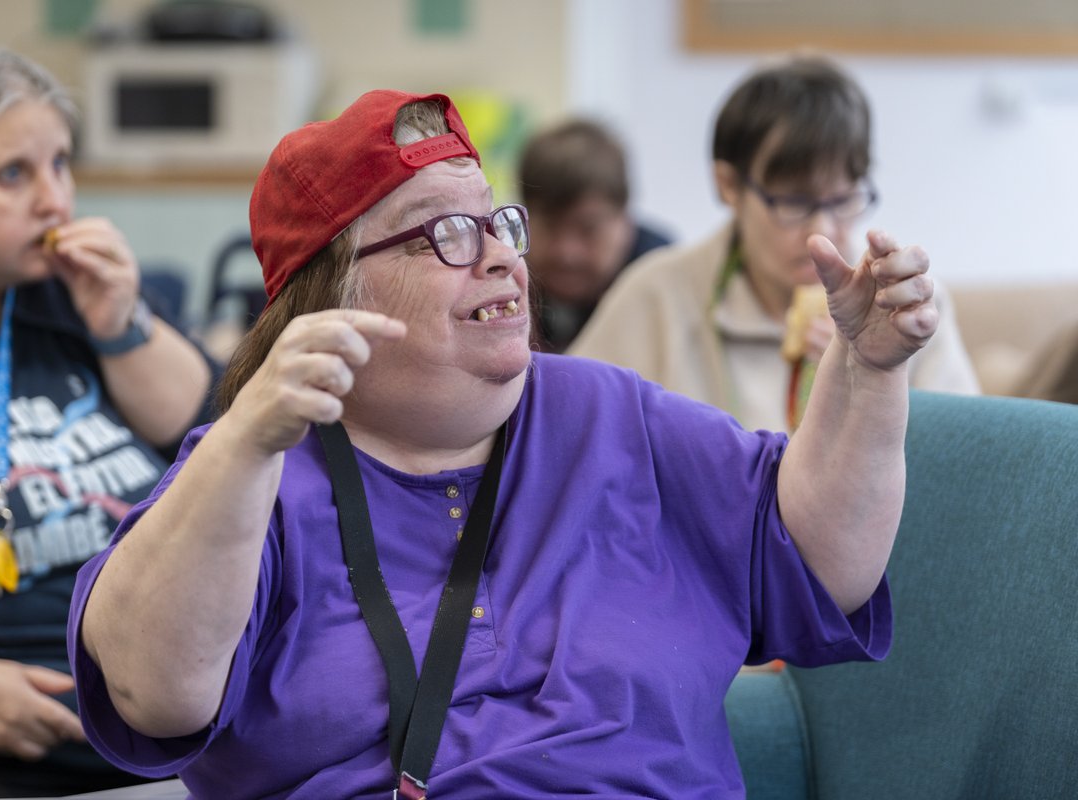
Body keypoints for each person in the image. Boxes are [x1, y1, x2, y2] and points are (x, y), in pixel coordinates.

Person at [69, 88, 939, 799]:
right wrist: (244, 446)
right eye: (443, 233)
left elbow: (822, 562)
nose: (500, 258)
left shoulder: (611, 416)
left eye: (496, 222)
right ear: (334, 293)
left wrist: (868, 372)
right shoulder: (257, 468)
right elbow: (153, 695)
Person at [0, 39, 218, 799]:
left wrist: (119, 322)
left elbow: (211, 432)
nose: (55, 200)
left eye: (61, 164)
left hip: (172, 717)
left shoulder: (67, 289)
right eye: (14, 174)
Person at [571, 54, 979, 433]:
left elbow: (966, 467)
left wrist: (878, 384)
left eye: (842, 201)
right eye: (794, 202)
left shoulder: (905, 308)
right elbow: (567, 430)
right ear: (729, 185)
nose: (822, 232)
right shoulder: (657, 295)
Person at [518, 118, 671, 352]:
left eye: (588, 229)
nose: (566, 252)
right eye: (549, 226)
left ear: (624, 216)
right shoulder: (504, 273)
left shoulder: (663, 283)